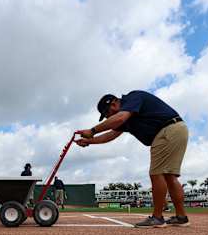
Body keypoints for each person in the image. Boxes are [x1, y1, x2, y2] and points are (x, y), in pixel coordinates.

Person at [76, 90, 190, 227]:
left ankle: (158, 218)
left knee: (157, 174)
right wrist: (90, 141)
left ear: (113, 104)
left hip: (166, 131)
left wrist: (92, 131)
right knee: (170, 176)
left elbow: (119, 118)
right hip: (176, 129)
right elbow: (111, 135)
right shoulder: (127, 118)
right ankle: (181, 217)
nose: (107, 118)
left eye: (107, 114)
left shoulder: (132, 98)